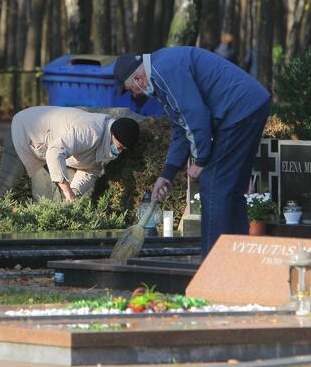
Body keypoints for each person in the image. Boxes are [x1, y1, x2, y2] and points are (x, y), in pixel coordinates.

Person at [114, 47, 271, 256]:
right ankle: (236, 259)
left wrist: (201, 160)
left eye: (132, 90)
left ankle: (213, 264)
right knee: (231, 190)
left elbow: (195, 115)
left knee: (214, 184)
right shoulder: (161, 72)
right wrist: (166, 175)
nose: (135, 95)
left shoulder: (164, 72)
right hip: (249, 105)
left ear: (138, 78)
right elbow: (181, 128)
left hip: (238, 110)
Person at [0, 106, 140, 202]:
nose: (118, 152)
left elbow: (89, 171)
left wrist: (73, 193)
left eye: (123, 150)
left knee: (55, 197)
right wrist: (67, 190)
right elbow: (55, 152)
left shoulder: (107, 145)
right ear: (112, 134)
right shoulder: (90, 131)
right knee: (7, 183)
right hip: (26, 130)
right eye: (119, 147)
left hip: (50, 147)